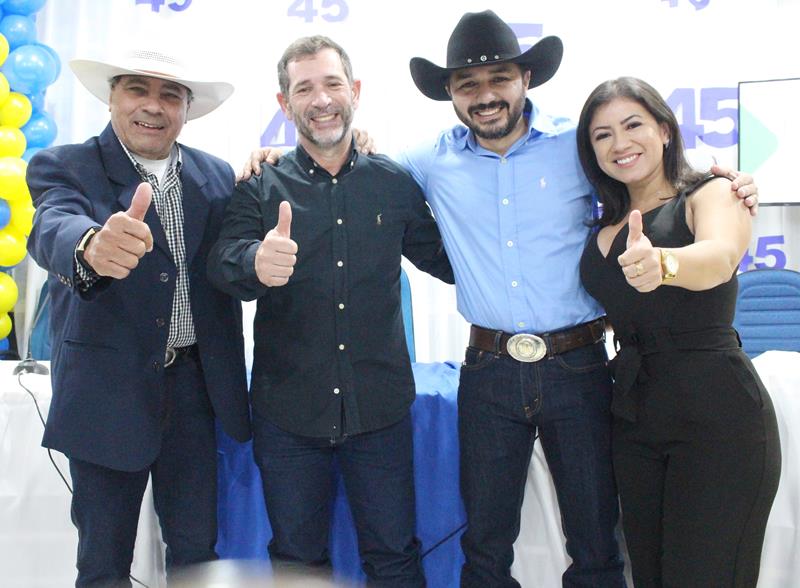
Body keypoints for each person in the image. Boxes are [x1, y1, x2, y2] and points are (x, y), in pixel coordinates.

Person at [239, 11, 759, 587]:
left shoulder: (578, 145)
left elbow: (646, 172)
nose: (485, 95)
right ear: (452, 96)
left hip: (581, 365)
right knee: (485, 546)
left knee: (595, 541)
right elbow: (348, 165)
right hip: (489, 371)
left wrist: (726, 181)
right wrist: (271, 160)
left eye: (500, 79)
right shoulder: (427, 160)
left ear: (525, 81)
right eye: (468, 85)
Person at [207, 36, 453, 587]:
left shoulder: (393, 183)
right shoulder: (259, 184)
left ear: (355, 92)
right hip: (287, 414)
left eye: (332, 84)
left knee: (394, 557)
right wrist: (254, 262)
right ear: (284, 103)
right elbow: (223, 263)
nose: (321, 100)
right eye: (304, 89)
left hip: (380, 414)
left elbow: (449, 260)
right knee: (297, 562)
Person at [25, 48, 251, 586]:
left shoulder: (217, 176)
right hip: (106, 395)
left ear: (187, 108)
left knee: (198, 555)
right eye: (137, 90)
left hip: (197, 395)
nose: (153, 106)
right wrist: (89, 246)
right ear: (111, 99)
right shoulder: (65, 165)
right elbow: (51, 224)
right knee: (103, 563)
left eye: (170, 94)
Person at [576, 76, 781, 588]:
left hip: (717, 417)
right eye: (602, 135)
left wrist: (662, 263)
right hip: (634, 420)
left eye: (633, 125)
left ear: (665, 130)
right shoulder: (600, 232)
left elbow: (718, 258)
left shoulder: (713, 192)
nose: (620, 144)